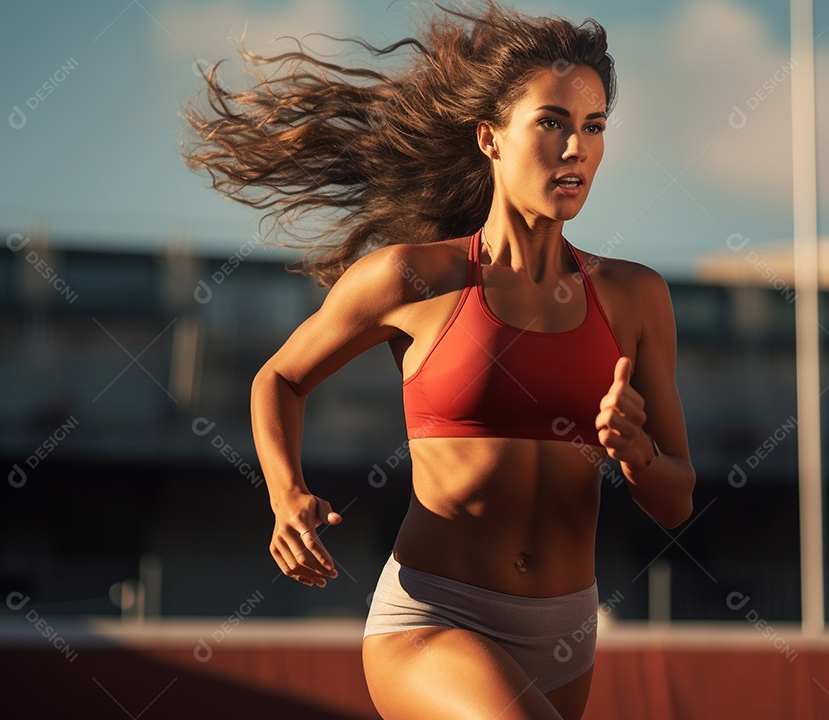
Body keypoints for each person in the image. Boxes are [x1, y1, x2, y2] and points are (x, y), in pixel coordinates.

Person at [182, 4, 694, 718]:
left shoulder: (636, 296)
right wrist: (284, 495)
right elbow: (281, 377)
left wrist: (636, 452)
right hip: (434, 619)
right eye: (551, 122)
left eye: (594, 126)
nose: (576, 147)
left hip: (566, 632)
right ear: (490, 137)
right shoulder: (411, 279)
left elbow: (676, 498)